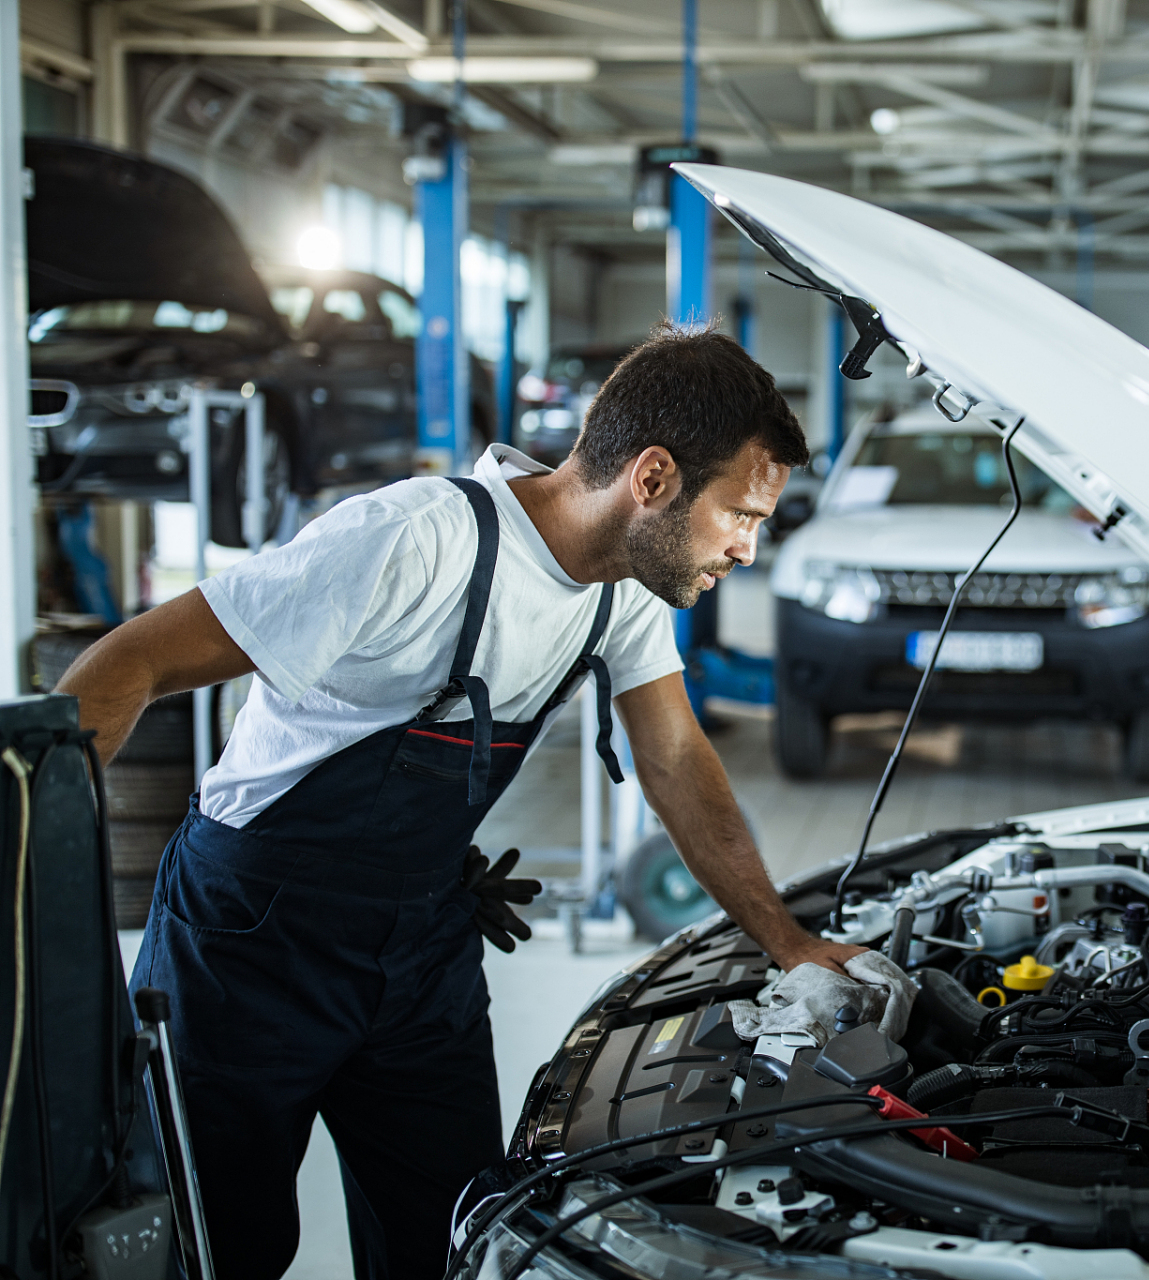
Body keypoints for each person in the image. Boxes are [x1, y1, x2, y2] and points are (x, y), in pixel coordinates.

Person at [57, 323, 867, 1279]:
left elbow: (679, 759)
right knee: (213, 1246)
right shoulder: (409, 542)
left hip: (421, 948)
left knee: (451, 1235)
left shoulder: (629, 590)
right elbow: (131, 661)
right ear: (652, 479)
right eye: (741, 512)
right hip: (248, 943)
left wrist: (790, 942)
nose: (746, 544)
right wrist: (31, 877)